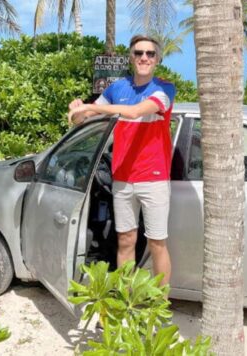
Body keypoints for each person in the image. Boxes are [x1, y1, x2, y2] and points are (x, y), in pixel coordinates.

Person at [68, 35, 175, 286]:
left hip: (154, 178)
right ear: (131, 57)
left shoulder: (164, 89)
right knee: (125, 240)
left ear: (157, 59)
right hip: (123, 177)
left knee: (157, 243)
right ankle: (126, 299)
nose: (144, 58)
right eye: (138, 53)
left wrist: (93, 107)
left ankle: (159, 307)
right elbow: (81, 120)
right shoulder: (117, 88)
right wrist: (78, 109)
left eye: (149, 54)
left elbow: (136, 111)